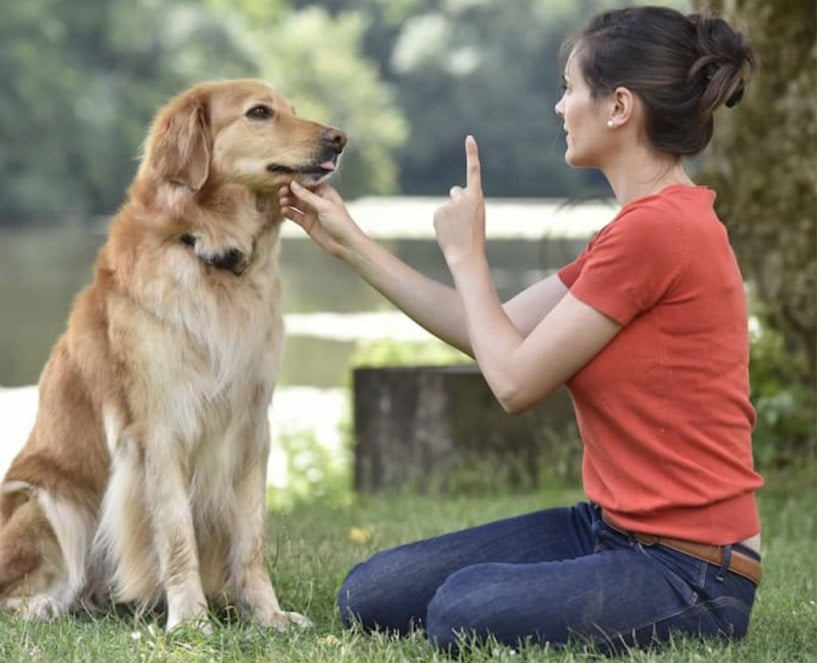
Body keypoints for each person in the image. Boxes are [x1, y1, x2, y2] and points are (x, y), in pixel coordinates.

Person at [279, 4, 762, 655]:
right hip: (614, 528)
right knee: (371, 592)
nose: (559, 107)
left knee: (461, 610)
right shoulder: (635, 230)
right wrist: (350, 244)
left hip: (694, 571)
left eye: (569, 88)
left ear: (618, 106)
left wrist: (468, 256)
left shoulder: (658, 232)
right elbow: (494, 332)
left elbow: (510, 382)